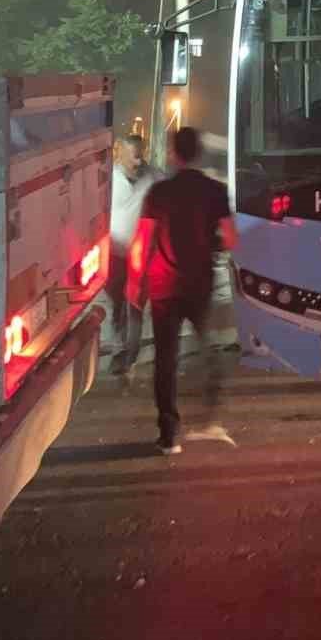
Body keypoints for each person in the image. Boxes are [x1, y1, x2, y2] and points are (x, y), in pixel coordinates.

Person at [127, 125, 238, 454]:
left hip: (163, 288)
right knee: (210, 350)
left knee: (166, 360)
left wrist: (135, 283)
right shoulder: (215, 192)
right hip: (198, 286)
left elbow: (141, 243)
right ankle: (210, 417)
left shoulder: (158, 193)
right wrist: (213, 244)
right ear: (199, 154)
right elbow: (231, 239)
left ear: (174, 155)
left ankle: (169, 434)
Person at [106, 133, 161, 380]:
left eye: (140, 155)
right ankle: (119, 348)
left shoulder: (154, 178)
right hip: (114, 253)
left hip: (144, 255)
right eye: (133, 156)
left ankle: (129, 357)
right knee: (117, 303)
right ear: (121, 154)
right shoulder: (109, 178)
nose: (137, 161)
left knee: (136, 305)